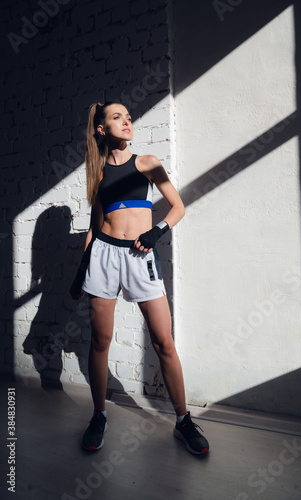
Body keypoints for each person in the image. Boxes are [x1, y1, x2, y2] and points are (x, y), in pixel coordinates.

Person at [70, 100, 209, 456]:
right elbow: (94, 226)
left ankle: (183, 420)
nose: (127, 122)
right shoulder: (98, 174)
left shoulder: (146, 163)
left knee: (164, 342)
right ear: (102, 129)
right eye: (118, 118)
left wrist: (156, 231)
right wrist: (82, 271)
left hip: (140, 256)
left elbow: (178, 207)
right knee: (100, 341)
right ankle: (99, 415)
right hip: (102, 256)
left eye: (129, 117)